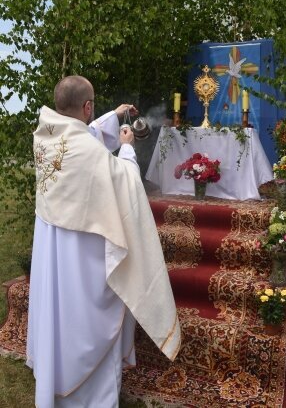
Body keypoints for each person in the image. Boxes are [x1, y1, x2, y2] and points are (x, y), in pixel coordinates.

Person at [26, 75, 180, 408]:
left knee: (59, 318)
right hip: (83, 256)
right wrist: (127, 148)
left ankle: (56, 381)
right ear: (86, 106)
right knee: (88, 317)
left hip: (55, 253)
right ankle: (92, 398)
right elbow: (124, 181)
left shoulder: (45, 136)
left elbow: (83, 135)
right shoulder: (86, 151)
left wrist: (113, 115)